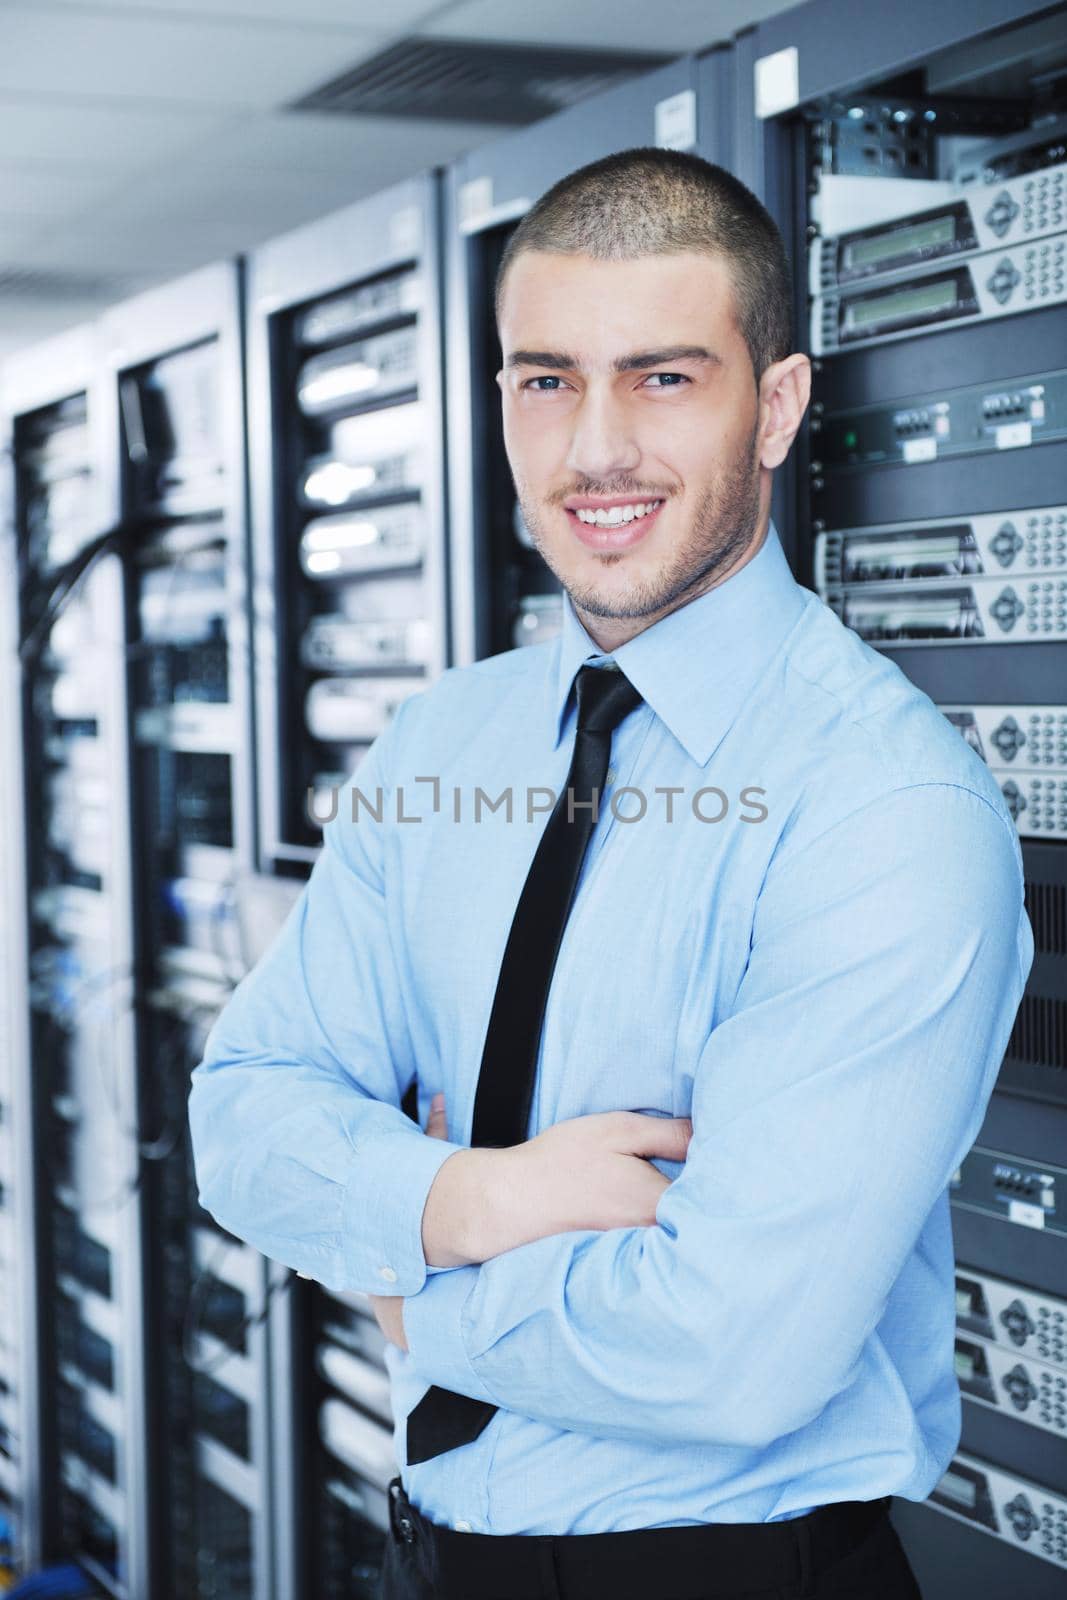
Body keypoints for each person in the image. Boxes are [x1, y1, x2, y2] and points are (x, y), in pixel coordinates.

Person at [188, 148, 1033, 1600]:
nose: (593, 452)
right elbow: (242, 1117)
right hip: (447, 1558)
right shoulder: (442, 740)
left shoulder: (883, 808)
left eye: (661, 378)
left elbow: (735, 1351)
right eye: (544, 380)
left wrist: (402, 1277)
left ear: (774, 407)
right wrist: (476, 1198)